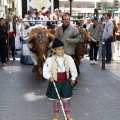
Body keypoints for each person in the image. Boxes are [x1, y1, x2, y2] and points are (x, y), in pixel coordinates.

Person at [43, 38, 78, 120]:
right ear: (54, 50)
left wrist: (73, 77)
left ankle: (68, 115)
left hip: (65, 82)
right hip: (55, 82)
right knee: (56, 100)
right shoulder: (49, 60)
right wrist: (49, 77)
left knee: (66, 99)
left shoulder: (68, 58)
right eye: (59, 49)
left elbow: (73, 68)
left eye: (62, 49)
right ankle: (56, 115)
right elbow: (45, 70)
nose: (61, 51)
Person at [55, 14, 83, 89]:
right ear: (62, 20)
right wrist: (56, 38)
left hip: (70, 51)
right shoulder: (59, 28)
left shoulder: (73, 28)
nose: (66, 21)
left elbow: (79, 38)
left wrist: (71, 41)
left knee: (71, 69)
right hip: (60, 52)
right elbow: (57, 38)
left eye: (68, 19)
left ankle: (73, 84)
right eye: (65, 19)